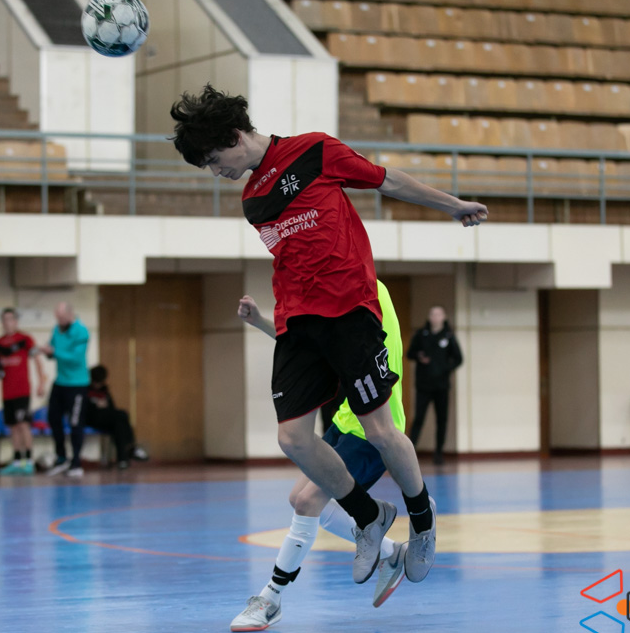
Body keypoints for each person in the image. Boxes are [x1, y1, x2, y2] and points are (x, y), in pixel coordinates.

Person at [170, 84, 486, 586]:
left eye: (213, 159)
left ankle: (422, 521)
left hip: (349, 311)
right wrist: (268, 320)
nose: (215, 172)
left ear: (233, 137)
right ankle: (369, 517)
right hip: (298, 321)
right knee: (292, 438)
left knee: (380, 431)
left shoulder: (314, 150)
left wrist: (450, 205)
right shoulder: (253, 201)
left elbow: (387, 180)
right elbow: (293, 257)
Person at [231, 282, 412, 632]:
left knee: (308, 502)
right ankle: (392, 554)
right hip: (346, 419)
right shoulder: (336, 291)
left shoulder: (366, 292)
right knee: (299, 498)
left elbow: (349, 353)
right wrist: (261, 322)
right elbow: (311, 345)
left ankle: (271, 598)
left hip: (373, 428)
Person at [38, 302, 90, 478]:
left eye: (61, 317)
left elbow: (75, 358)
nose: (59, 321)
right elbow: (52, 351)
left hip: (78, 384)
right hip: (60, 382)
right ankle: (61, 458)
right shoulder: (56, 329)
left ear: (69, 314)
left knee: (75, 423)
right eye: (57, 318)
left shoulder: (81, 331)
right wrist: (47, 351)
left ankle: (76, 463)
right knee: (53, 418)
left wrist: (54, 351)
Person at [0, 308, 47, 476]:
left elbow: (37, 360)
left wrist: (41, 382)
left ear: (16, 321)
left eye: (10, 319)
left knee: (24, 424)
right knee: (13, 426)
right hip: (6, 392)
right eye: (4, 319)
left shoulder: (25, 339)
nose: (7, 323)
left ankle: (28, 461)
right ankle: (17, 461)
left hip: (22, 390)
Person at [407, 306, 463, 464]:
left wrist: (445, 368)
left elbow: (458, 358)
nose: (435, 317)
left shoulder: (449, 336)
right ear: (429, 316)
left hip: (441, 386)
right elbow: (410, 353)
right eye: (432, 314)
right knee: (418, 418)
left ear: (444, 317)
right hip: (423, 385)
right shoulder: (421, 334)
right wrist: (419, 356)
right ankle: (410, 452)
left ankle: (439, 453)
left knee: (441, 420)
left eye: (438, 314)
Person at [83, 365, 149, 470]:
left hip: (106, 419)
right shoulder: (86, 390)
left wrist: (105, 405)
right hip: (92, 419)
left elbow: (112, 408)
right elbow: (83, 410)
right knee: (121, 416)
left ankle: (123, 459)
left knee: (119, 424)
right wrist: (96, 405)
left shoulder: (104, 390)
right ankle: (131, 449)